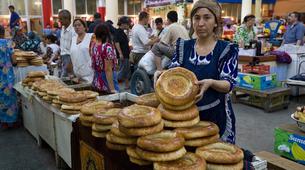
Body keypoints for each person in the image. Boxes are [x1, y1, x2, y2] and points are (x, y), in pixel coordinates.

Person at [154, 0, 238, 144]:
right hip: (183, 117)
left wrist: (211, 82)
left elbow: (228, 84)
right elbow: (173, 72)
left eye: (207, 17)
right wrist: (162, 74)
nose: (200, 23)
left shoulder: (226, 49)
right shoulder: (183, 46)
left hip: (215, 115)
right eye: (197, 18)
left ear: (216, 22)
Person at [91, 23, 120, 94]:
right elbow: (108, 69)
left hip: (97, 78)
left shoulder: (94, 46)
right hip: (107, 78)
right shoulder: (107, 47)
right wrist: (112, 89)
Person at [0, 25, 19, 129]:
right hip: (7, 76)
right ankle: (13, 121)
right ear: (3, 32)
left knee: (1, 98)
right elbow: (14, 59)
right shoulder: (8, 43)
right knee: (10, 96)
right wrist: (14, 63)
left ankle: (3, 122)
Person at [70, 19, 94, 83]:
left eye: (79, 25)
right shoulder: (73, 39)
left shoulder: (91, 37)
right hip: (77, 76)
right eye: (75, 26)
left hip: (90, 74)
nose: (77, 27)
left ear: (84, 27)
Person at [115, 16, 131, 90]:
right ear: (123, 24)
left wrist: (127, 31)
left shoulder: (123, 32)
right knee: (123, 70)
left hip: (126, 53)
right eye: (127, 24)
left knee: (126, 69)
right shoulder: (117, 32)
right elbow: (116, 43)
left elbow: (127, 41)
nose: (128, 25)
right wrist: (120, 53)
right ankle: (114, 82)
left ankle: (127, 85)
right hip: (123, 54)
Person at [58, 9, 74, 78]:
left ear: (67, 19)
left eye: (61, 19)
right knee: (63, 79)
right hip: (63, 57)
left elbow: (74, 48)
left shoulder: (73, 31)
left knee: (65, 79)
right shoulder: (62, 28)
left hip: (69, 57)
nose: (59, 21)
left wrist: (70, 62)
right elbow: (62, 45)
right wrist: (60, 58)